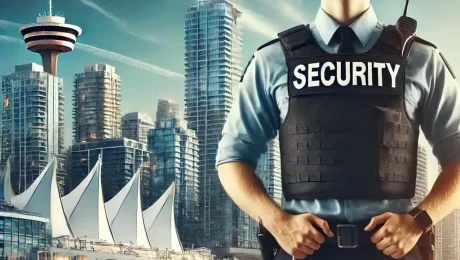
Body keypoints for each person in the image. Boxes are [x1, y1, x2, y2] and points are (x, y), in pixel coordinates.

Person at [216, 0, 460, 259]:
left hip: (394, 250)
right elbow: (232, 159)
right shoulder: (271, 61)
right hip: (304, 250)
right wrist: (276, 222)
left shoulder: (422, 58)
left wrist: (419, 221)